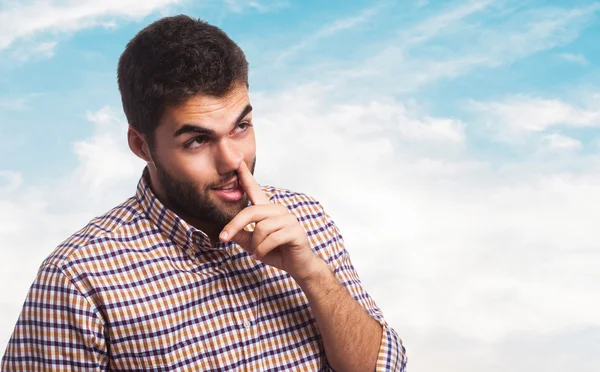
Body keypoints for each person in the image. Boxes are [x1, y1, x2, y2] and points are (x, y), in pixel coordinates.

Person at [1, 15, 407, 371]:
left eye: (241, 127)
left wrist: (314, 276)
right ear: (142, 146)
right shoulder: (79, 280)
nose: (233, 161)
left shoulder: (304, 218)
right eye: (197, 140)